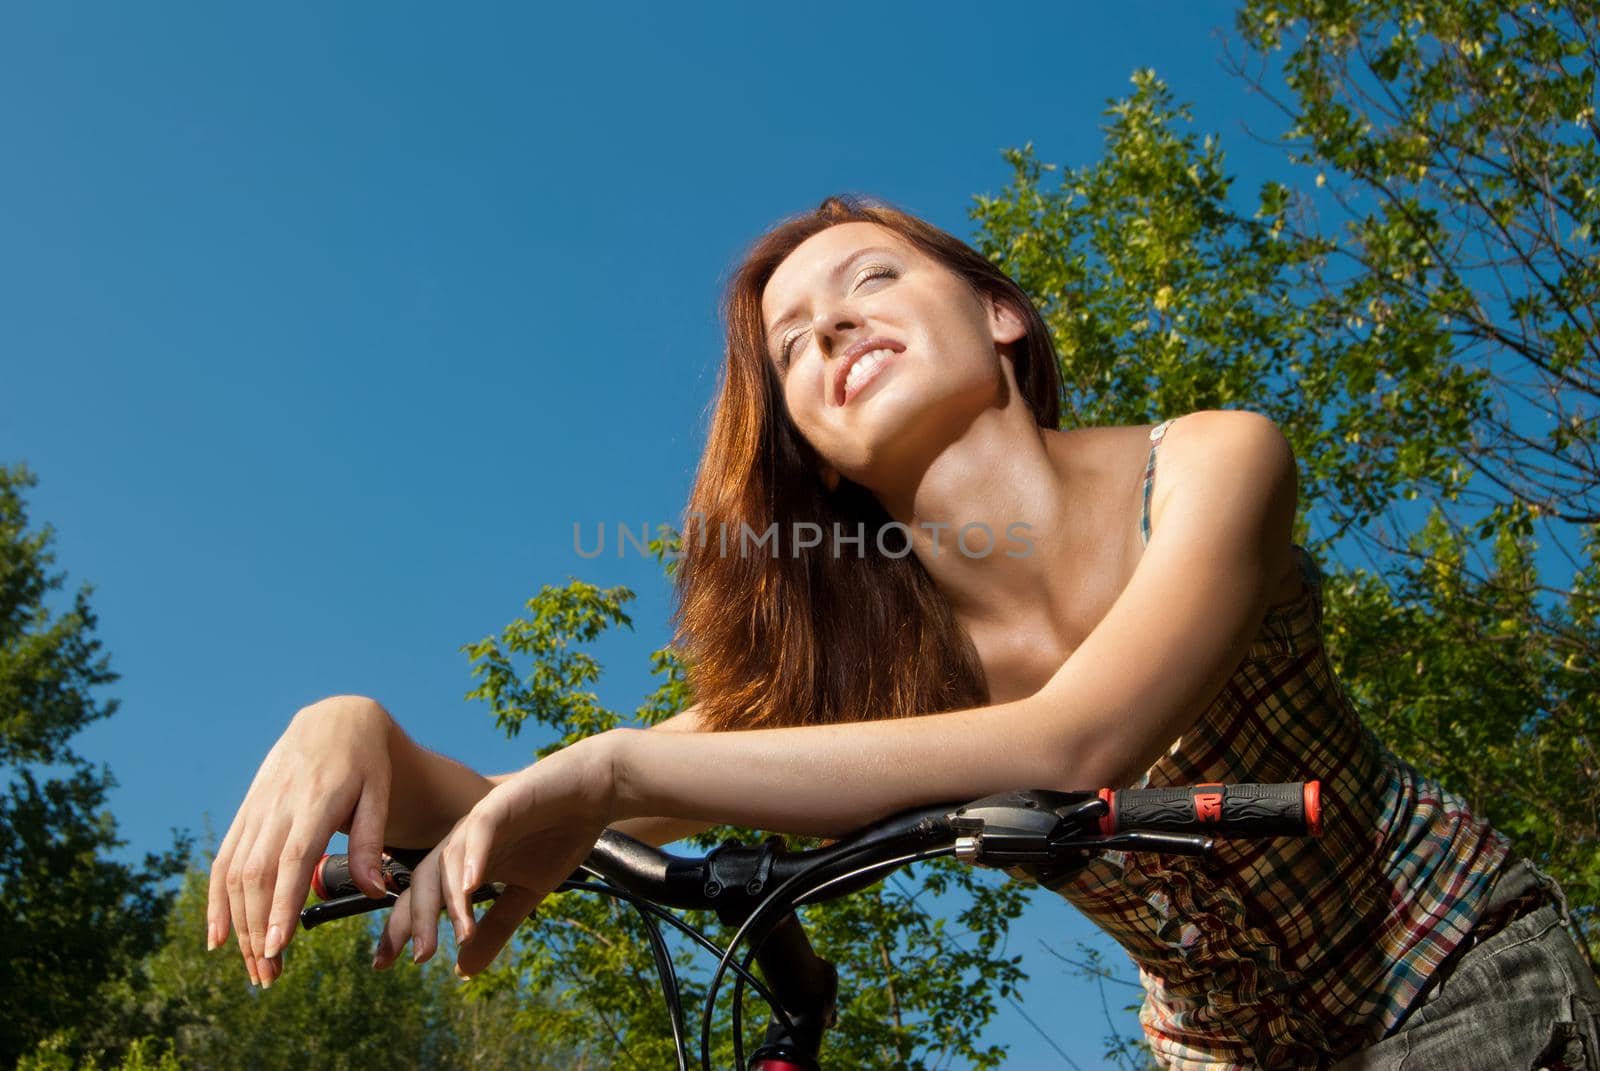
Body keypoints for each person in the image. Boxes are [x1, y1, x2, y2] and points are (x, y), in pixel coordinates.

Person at [208, 195, 1600, 1068]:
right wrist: (362, 730)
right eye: (793, 343)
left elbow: (1079, 741)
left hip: (1449, 965)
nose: (831, 332)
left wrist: (617, 767)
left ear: (998, 313)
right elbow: (560, 818)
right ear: (807, 446)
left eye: (868, 282)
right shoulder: (871, 674)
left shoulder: (1212, 463)